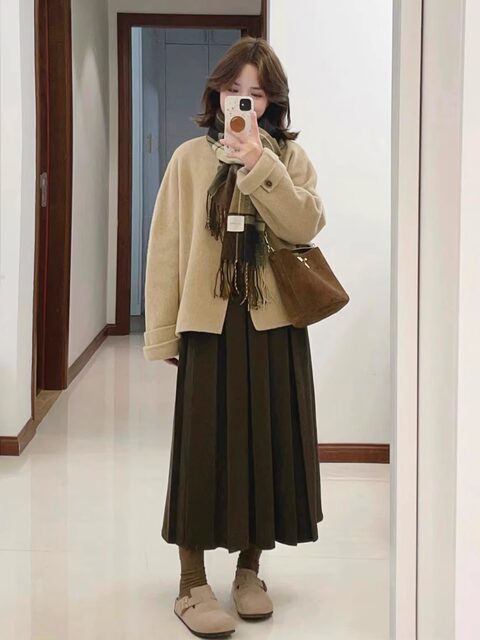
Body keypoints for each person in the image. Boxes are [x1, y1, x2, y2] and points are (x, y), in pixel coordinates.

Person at [143, 36, 326, 639]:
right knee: (202, 450)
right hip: (209, 323)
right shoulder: (188, 159)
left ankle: (250, 571)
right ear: (216, 94)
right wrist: (163, 332)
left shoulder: (287, 158)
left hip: (273, 325)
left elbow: (305, 223)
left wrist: (259, 165)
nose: (242, 102)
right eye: (233, 90)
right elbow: (167, 248)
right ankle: (191, 582)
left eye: (256, 94)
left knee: (265, 447)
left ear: (271, 102)